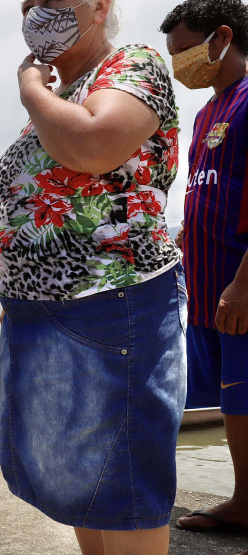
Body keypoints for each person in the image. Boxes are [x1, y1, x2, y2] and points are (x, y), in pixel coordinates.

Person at [0, 1, 185, 553]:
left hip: (113, 304)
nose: (37, 13)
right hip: (46, 313)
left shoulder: (132, 64)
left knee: (122, 487)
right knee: (82, 483)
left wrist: (29, 86)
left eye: (53, 1)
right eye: (28, 6)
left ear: (99, 7)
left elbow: (93, 145)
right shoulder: (58, 100)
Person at [162, 0, 248, 543]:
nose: (179, 64)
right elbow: (205, 195)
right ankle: (244, 501)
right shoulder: (205, 113)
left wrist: (244, 282)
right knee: (234, 400)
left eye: (185, 50)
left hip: (240, 285)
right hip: (208, 286)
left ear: (222, 37)